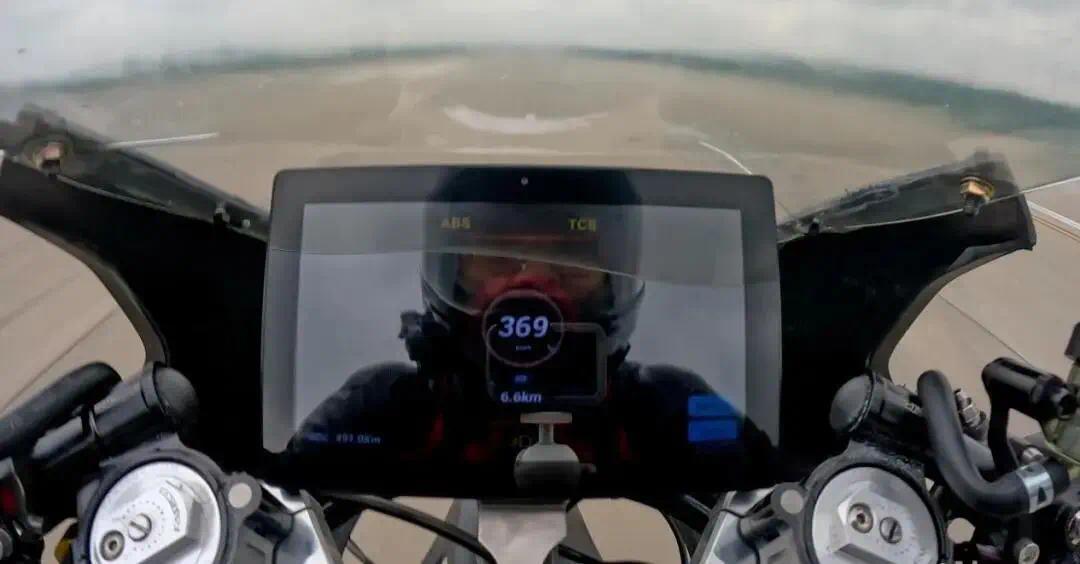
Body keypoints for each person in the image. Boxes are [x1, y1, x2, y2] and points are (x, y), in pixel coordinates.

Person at [289, 169, 764, 484]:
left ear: (614, 284)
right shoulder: (382, 407)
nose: (532, 285)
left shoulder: (669, 408)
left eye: (571, 258)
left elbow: (767, 491)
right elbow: (284, 493)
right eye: (496, 256)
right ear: (448, 272)